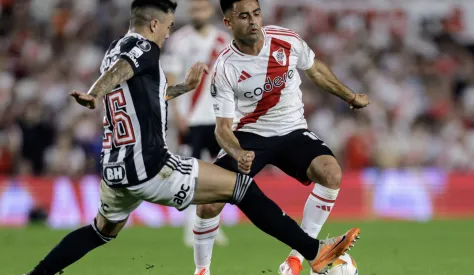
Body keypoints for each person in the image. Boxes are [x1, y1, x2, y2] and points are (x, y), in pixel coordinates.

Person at [24, 1, 360, 275]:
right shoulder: (143, 48)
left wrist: (182, 88)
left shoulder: (112, 48)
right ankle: (316, 252)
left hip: (115, 170)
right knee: (239, 186)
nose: (170, 32)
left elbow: (141, 93)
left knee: (101, 231)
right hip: (152, 167)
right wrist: (94, 93)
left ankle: (38, 273)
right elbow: (121, 71)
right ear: (155, 24)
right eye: (169, 24)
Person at [192, 1, 370, 275]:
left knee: (330, 173)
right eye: (243, 16)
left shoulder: (286, 40)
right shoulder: (225, 67)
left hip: (292, 129)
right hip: (250, 134)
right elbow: (222, 129)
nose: (252, 21)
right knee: (208, 204)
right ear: (228, 23)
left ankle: (298, 259)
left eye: (256, 13)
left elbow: (316, 70)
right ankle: (202, 271)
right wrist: (239, 154)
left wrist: (350, 96)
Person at [161, 0, 231, 248]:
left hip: (217, 118)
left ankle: (213, 226)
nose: (198, 14)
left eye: (202, 9)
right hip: (190, 118)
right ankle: (190, 226)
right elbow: (170, 78)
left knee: (222, 175)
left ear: (211, 11)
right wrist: (176, 113)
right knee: (190, 174)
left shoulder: (224, 41)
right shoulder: (179, 40)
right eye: (194, 10)